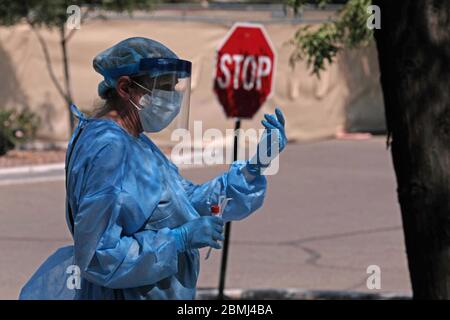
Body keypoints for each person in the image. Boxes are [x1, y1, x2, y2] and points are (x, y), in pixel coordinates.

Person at [19, 37, 287, 300]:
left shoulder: (136, 141)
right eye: (163, 87)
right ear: (125, 88)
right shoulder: (107, 147)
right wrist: (178, 240)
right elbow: (98, 254)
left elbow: (184, 199)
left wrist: (255, 166)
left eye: (174, 88)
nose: (171, 98)